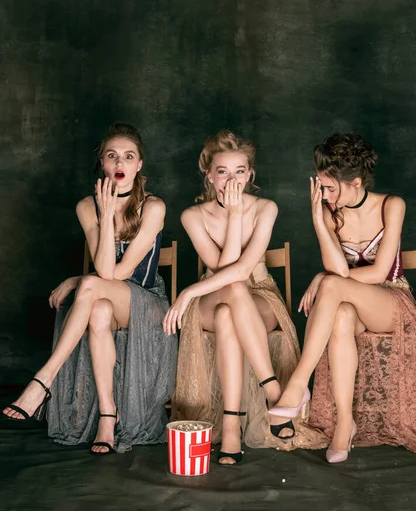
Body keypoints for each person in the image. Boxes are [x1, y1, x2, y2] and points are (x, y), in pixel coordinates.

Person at [269, 133, 416, 461]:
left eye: (329, 187)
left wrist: (326, 279)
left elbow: (379, 273)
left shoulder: (392, 205)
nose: (323, 194)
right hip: (348, 302)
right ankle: (344, 426)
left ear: (355, 182)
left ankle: (297, 384)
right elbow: (336, 268)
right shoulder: (327, 211)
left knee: (332, 287)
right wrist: (318, 223)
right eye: (322, 187)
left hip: (391, 301)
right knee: (339, 316)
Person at [3, 123, 177, 454]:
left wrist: (108, 219)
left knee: (93, 288)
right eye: (112, 156)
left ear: (139, 165)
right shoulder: (87, 206)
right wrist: (103, 216)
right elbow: (102, 275)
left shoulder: (154, 207)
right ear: (103, 164)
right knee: (98, 310)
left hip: (146, 303)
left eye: (129, 156)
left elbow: (116, 272)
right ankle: (107, 419)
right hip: (105, 299)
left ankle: (43, 381)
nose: (120, 163)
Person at [164, 130, 300, 465]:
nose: (231, 179)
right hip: (214, 295)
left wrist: (188, 290)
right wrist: (235, 216)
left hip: (259, 295)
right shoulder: (192, 216)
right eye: (223, 171)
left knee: (232, 305)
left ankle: (230, 427)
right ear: (209, 175)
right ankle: (274, 394)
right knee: (228, 300)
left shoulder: (266, 208)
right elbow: (223, 268)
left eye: (240, 171)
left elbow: (243, 272)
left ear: (250, 174)